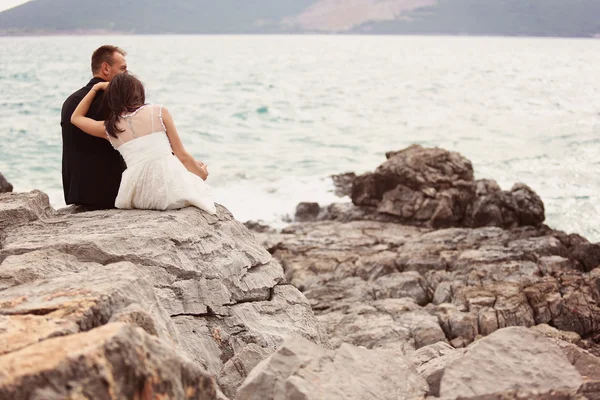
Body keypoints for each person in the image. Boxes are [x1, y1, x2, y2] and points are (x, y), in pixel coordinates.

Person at [70, 73, 217, 214]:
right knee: (199, 186)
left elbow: (75, 118)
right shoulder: (158, 112)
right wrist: (200, 174)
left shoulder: (109, 128)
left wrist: (95, 88)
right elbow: (181, 155)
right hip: (169, 188)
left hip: (136, 194)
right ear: (138, 92)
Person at [61, 45, 128, 208]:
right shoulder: (114, 99)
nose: (127, 74)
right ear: (106, 68)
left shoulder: (71, 101)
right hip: (111, 192)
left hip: (76, 192)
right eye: (123, 69)